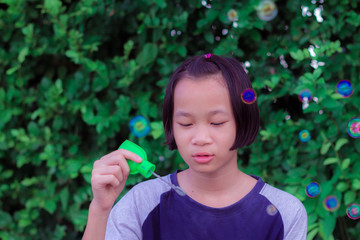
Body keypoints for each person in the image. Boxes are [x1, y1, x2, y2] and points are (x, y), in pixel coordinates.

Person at [83, 54, 308, 240]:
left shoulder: (286, 212)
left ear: (243, 120)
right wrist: (100, 209)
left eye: (217, 122)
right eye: (186, 123)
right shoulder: (142, 204)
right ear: (171, 125)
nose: (200, 138)